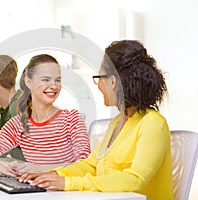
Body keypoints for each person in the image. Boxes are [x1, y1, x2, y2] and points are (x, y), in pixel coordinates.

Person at [19, 40, 174, 200]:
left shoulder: (153, 123)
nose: (98, 84)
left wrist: (68, 183)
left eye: (99, 77)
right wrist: (53, 175)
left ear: (112, 82)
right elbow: (91, 165)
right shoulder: (117, 122)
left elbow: (135, 180)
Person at [0, 54, 91, 175]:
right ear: (29, 82)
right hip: (35, 191)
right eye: (46, 80)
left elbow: (85, 165)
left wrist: (40, 169)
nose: (54, 86)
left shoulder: (72, 120)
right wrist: (7, 169)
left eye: (58, 80)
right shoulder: (18, 124)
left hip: (67, 192)